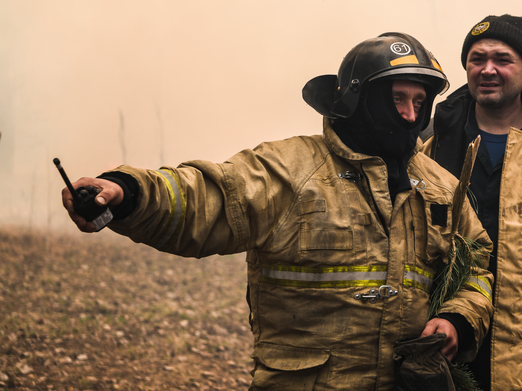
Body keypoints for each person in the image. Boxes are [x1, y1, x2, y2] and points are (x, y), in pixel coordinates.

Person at [61, 32, 495, 391]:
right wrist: (127, 191)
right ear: (359, 100)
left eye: (420, 104)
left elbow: (477, 265)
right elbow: (206, 198)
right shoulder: (292, 169)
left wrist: (458, 318)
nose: (409, 114)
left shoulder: (442, 187)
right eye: (397, 99)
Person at [421, 13, 522, 390]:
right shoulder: (432, 141)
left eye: (502, 60)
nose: (487, 70)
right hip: (444, 333)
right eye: (477, 59)